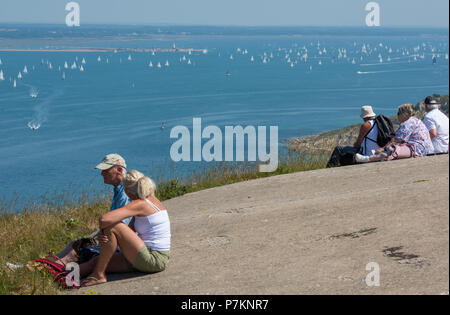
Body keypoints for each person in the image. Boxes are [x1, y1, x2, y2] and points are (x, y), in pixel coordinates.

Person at [80, 170, 171, 287]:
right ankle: (61, 274)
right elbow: (129, 231)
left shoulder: (140, 204)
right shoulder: (151, 200)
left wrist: (104, 231)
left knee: (113, 225)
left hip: (154, 259)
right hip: (146, 256)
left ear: (127, 191)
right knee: (96, 261)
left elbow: (104, 219)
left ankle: (99, 275)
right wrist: (107, 236)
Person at [56, 153, 131, 264]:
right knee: (73, 244)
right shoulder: (119, 189)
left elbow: (122, 225)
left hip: (120, 245)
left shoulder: (125, 193)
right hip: (115, 240)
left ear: (119, 170)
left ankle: (49, 269)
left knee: (76, 250)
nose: (102, 174)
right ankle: (46, 264)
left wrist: (100, 238)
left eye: (105, 170)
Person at [356, 104, 434, 163]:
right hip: (427, 149)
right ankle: (375, 156)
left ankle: (369, 158)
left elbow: (397, 139)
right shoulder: (416, 120)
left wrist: (383, 148)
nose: (397, 115)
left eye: (398, 113)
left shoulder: (407, 123)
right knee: (391, 148)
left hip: (418, 149)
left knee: (392, 149)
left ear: (403, 114)